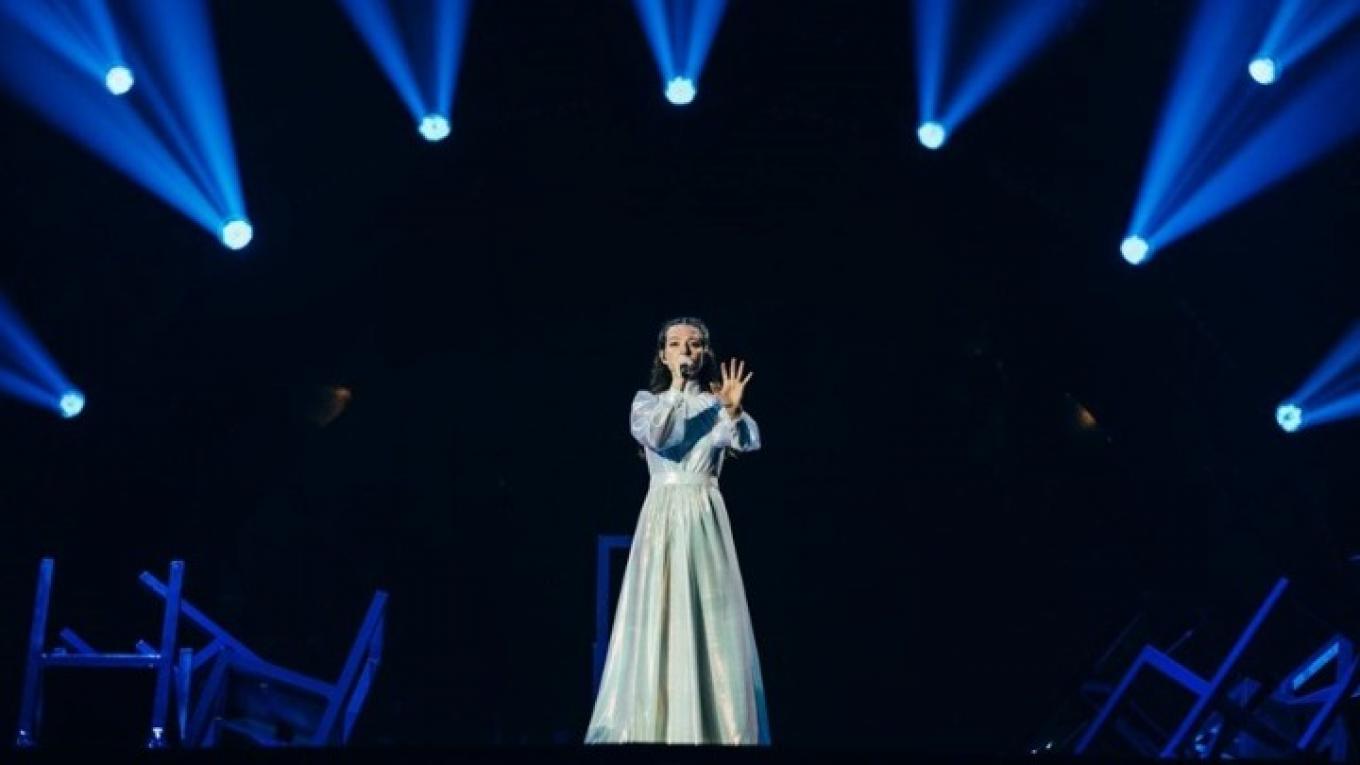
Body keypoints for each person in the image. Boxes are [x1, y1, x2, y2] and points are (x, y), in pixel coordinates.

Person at [585, 316, 770, 745]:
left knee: (710, 620)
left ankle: (715, 729)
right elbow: (659, 435)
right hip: (662, 516)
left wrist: (732, 410)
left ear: (705, 353)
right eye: (675, 343)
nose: (685, 349)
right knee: (659, 615)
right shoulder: (646, 404)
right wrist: (677, 388)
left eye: (694, 343)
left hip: (703, 514)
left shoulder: (716, 403)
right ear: (663, 355)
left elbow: (746, 441)